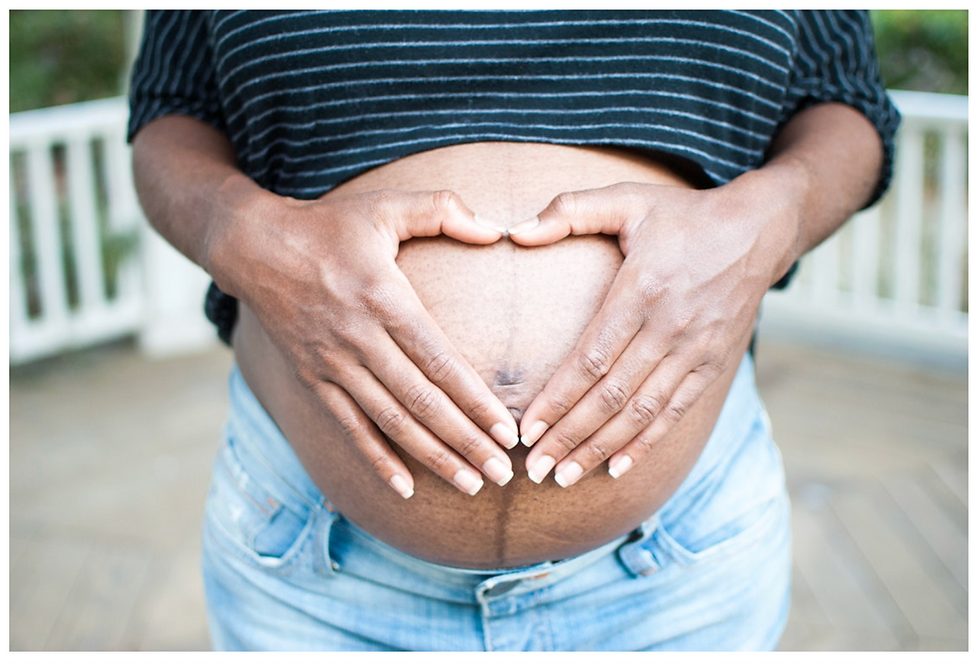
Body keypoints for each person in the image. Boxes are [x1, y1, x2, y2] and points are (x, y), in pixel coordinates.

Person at [128, 10, 900, 651]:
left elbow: (845, 98)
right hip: (314, 565)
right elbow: (170, 108)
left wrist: (777, 214)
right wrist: (239, 229)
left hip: (676, 561)